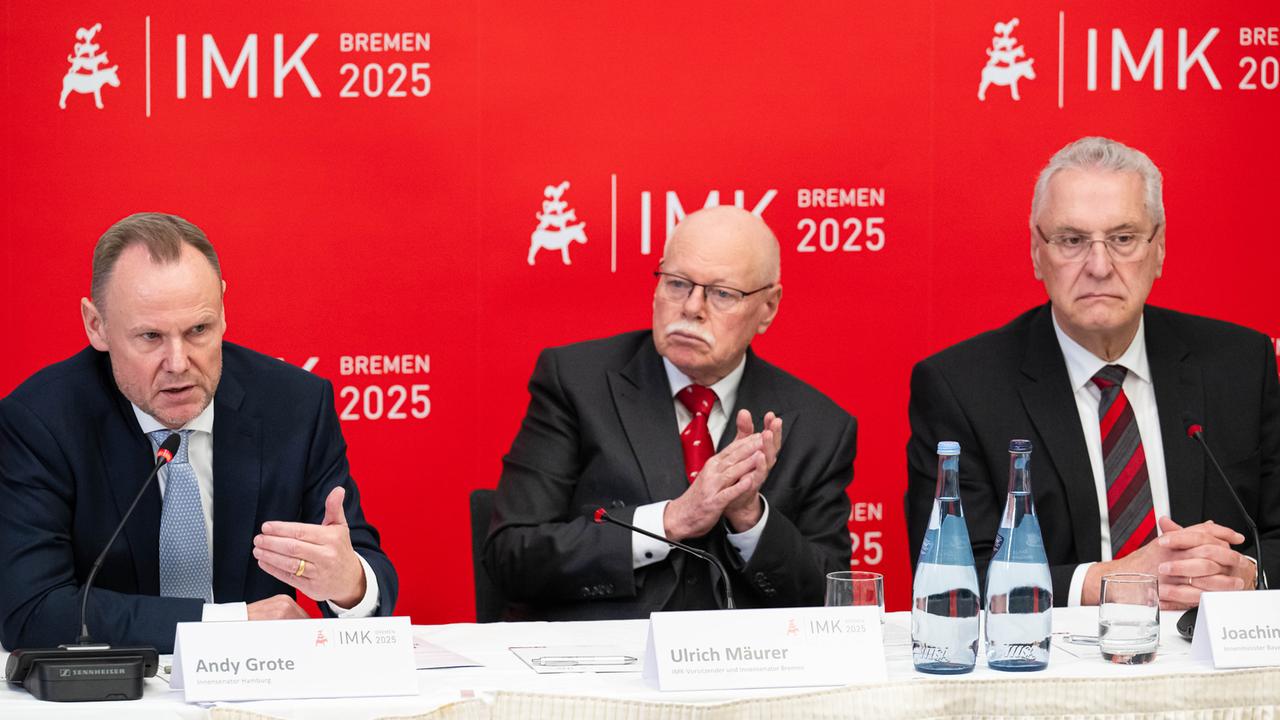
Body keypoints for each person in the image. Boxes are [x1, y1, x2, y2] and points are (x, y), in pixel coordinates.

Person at [906, 136, 1279, 608]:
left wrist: (1248, 573)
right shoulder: (962, 388)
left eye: (1123, 239)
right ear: (1037, 252)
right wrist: (1107, 581)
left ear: (1159, 248)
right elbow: (952, 579)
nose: (1099, 266)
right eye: (1072, 240)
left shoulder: (1240, 364)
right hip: (1052, 652)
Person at [0, 212, 397, 653]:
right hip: (116, 687)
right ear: (97, 325)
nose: (178, 363)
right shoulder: (41, 423)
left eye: (198, 330)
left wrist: (349, 584)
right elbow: (33, 611)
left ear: (223, 310)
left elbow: (366, 573)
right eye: (150, 336)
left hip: (261, 681)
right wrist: (230, 624)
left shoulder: (294, 406)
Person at [484, 205, 857, 620]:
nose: (692, 307)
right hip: (604, 653)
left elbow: (832, 601)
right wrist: (670, 520)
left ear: (768, 307)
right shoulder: (575, 382)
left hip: (744, 658)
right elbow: (511, 556)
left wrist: (750, 517)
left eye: (722, 293)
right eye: (678, 284)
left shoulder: (819, 426)